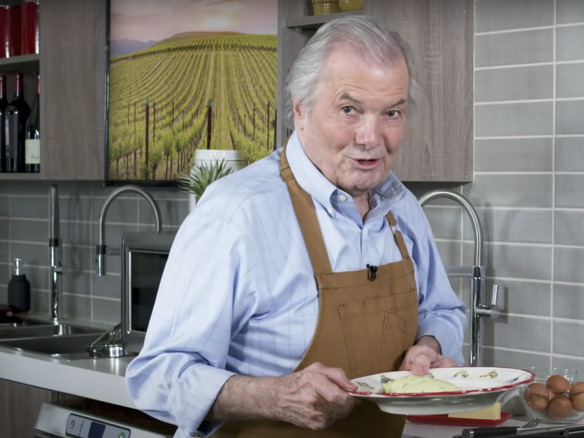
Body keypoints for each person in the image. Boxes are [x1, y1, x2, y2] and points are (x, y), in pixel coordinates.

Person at [125, 15, 466, 438]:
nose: (371, 137)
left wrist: (430, 348)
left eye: (391, 113)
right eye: (349, 109)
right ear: (299, 107)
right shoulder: (236, 213)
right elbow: (157, 376)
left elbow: (443, 311)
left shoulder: (402, 208)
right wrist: (273, 396)